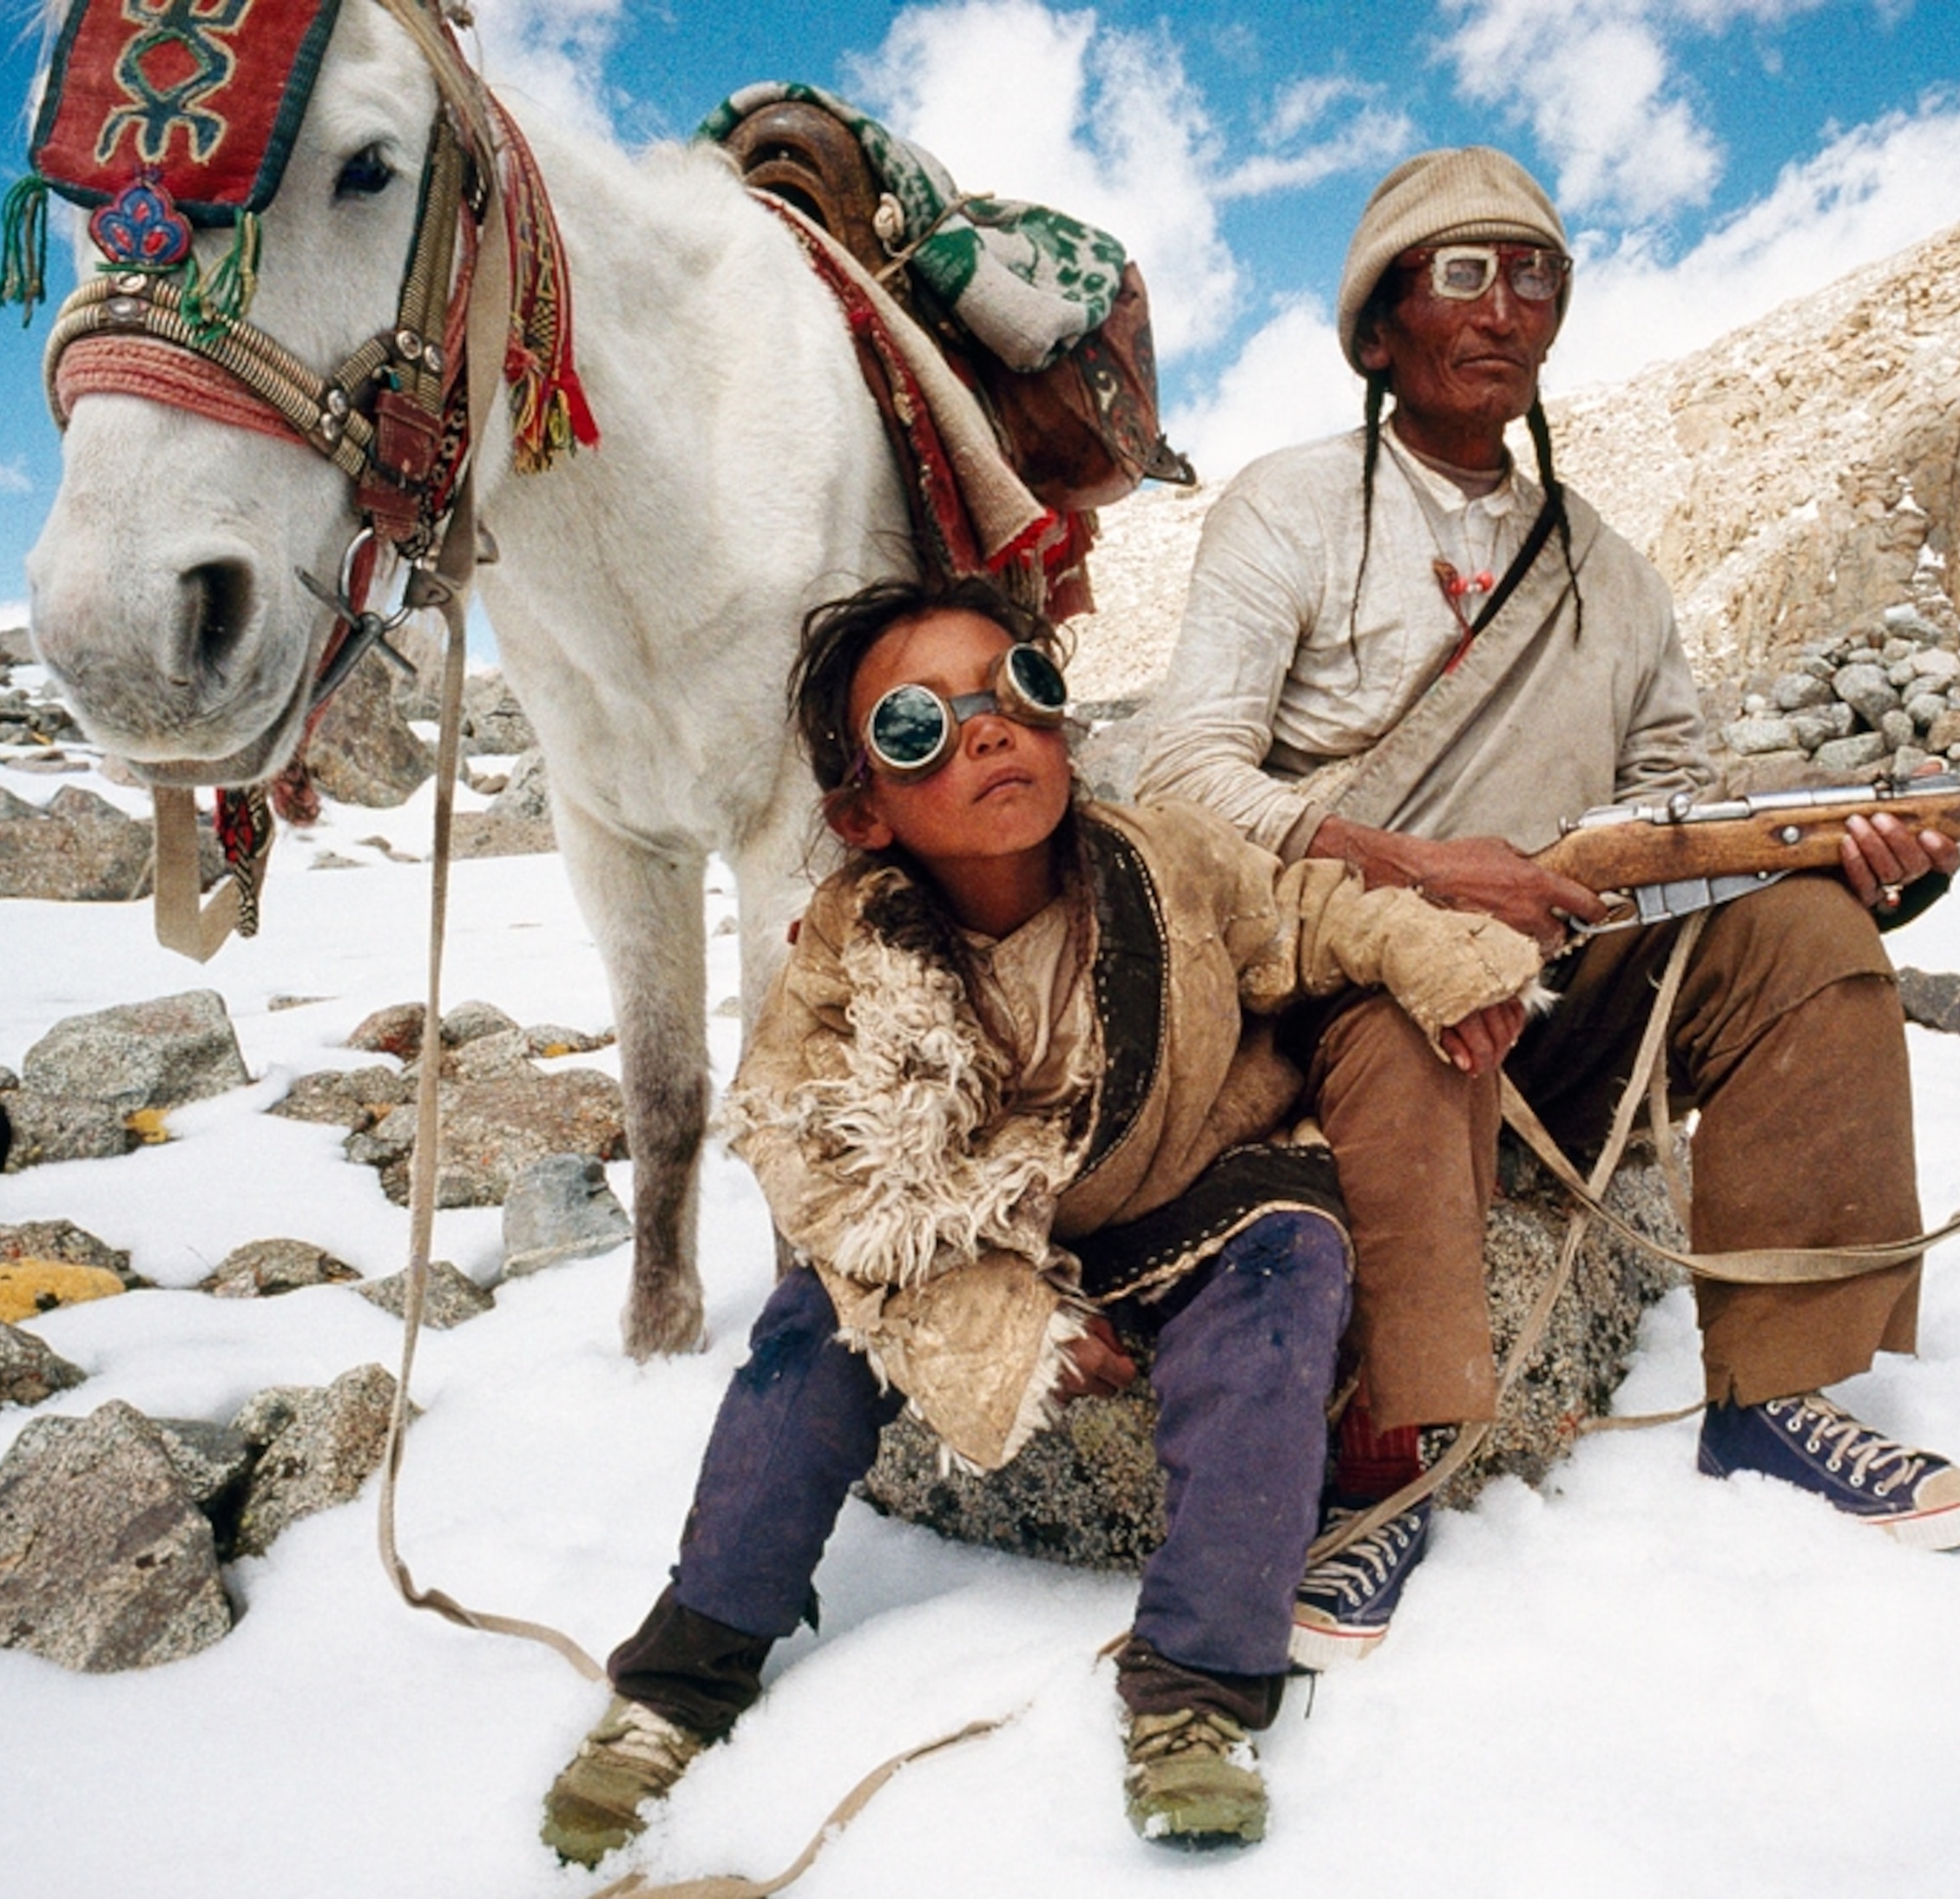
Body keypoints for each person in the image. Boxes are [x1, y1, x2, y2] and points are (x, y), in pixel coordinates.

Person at [1135, 148, 1960, 1662]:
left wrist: (1843, 857)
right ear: (1380, 322)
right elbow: (1184, 773)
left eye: (1534, 275)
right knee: (1430, 991)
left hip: (1578, 986)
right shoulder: (1288, 511)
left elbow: (1678, 813)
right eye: (1460, 273)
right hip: (1347, 997)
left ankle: (1777, 1394)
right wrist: (1413, 870)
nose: (1505, 308)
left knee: (1809, 936)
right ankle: (1388, 1461)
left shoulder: (1608, 567)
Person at [541, 573, 1544, 1864]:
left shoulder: (1169, 858)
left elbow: (1306, 913)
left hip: (1180, 1195)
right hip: (978, 1248)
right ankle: (683, 1675)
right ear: (865, 809)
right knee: (806, 1337)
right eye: (920, 729)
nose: (989, 732)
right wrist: (993, 1327)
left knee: (1289, 1261)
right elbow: (826, 1180)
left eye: (1019, 690)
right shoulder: (842, 964)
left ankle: (1198, 1684)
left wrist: (1436, 957)